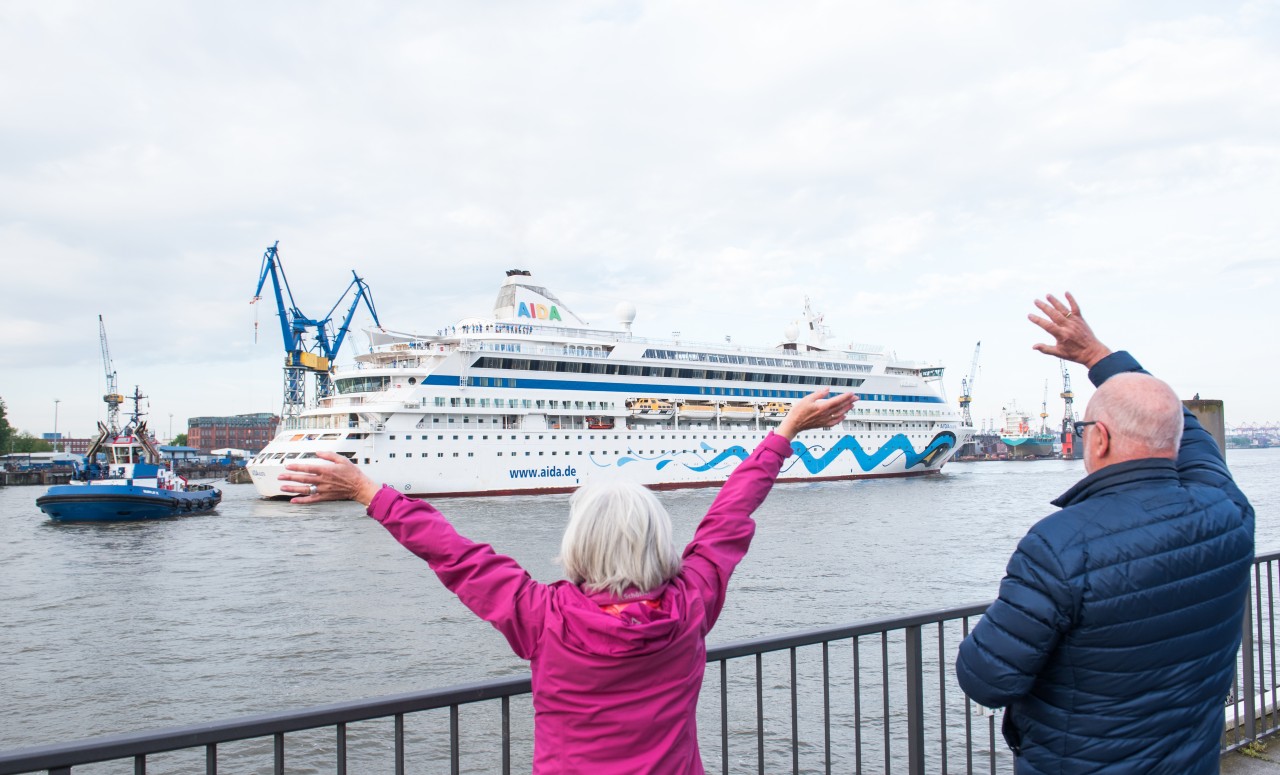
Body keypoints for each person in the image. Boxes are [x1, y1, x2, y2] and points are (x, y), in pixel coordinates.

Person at [279, 388, 856, 774]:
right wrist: (783, 433)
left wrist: (368, 491)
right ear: (660, 539)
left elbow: (454, 553)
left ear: (577, 543)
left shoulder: (541, 617)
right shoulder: (693, 602)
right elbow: (730, 514)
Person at [955, 293, 1255, 774]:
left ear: (1099, 437)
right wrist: (1098, 355)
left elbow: (987, 679)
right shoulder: (1229, 511)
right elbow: (1185, 428)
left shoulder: (1060, 545)